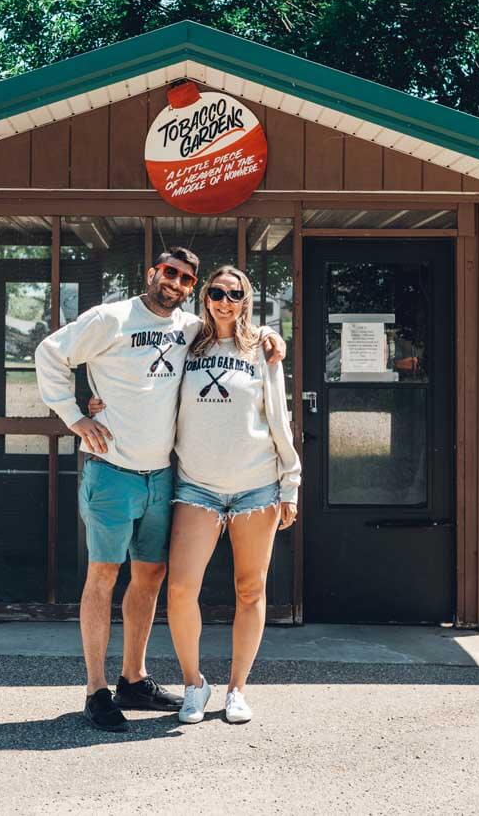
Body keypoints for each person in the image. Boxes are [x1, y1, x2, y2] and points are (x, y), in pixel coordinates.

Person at [34, 248, 285, 733]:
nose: (176, 282)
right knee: (103, 577)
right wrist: (76, 416)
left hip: (163, 476)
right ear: (151, 272)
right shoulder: (110, 317)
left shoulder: (190, 330)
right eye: (169, 272)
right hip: (112, 470)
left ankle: (134, 678)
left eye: (187, 279)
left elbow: (242, 332)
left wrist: (272, 336)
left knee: (149, 579)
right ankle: (96, 690)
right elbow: (50, 353)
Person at [91, 264, 300, 726]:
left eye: (235, 293)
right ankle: (193, 684)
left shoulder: (263, 349)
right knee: (182, 589)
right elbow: (139, 373)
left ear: (247, 299)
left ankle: (238, 689)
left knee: (251, 589)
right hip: (196, 486)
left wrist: (291, 482)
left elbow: (280, 418)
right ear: (203, 297)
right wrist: (96, 402)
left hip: (256, 485)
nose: (225, 300)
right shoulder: (187, 341)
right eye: (217, 292)